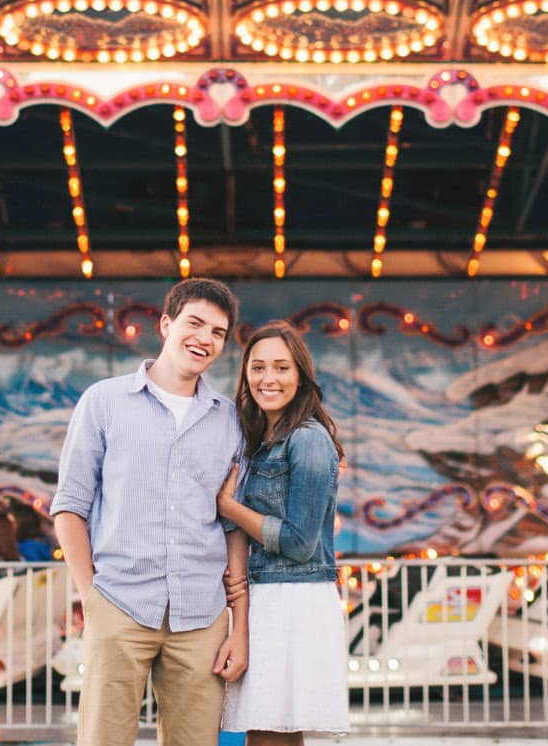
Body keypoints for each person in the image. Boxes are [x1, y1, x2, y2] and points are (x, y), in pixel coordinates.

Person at [51, 277, 250, 746]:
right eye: (194, 323)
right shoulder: (104, 402)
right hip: (119, 605)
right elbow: (70, 507)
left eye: (217, 333)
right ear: (166, 324)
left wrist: (238, 623)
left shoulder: (230, 420)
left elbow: (232, 524)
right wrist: (90, 597)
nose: (204, 339)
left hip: (201, 615)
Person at [217, 323, 348, 743]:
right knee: (269, 733)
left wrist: (230, 508)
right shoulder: (262, 440)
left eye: (281, 367)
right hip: (269, 595)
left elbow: (298, 542)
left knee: (270, 733)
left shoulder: (307, 439)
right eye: (257, 368)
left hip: (294, 597)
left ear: (300, 376)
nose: (268, 378)